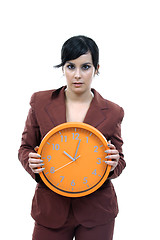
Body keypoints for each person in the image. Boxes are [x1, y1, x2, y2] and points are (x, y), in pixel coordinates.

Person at [18, 35, 126, 240]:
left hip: (97, 211)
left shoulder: (113, 112)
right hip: (51, 208)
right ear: (63, 68)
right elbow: (25, 147)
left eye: (85, 67)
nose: (77, 75)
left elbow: (120, 159)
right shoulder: (40, 102)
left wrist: (114, 163)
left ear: (96, 68)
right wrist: (30, 160)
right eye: (70, 66)